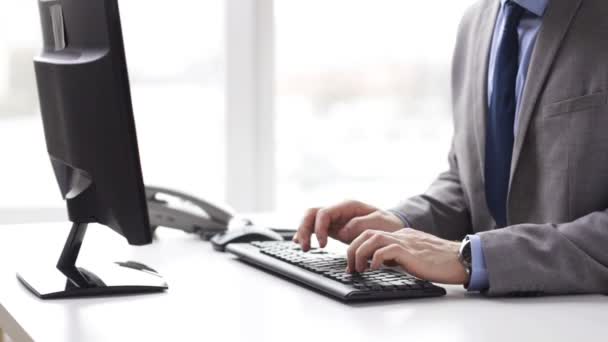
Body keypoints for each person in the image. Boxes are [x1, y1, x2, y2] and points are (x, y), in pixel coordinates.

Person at [293, 0, 608, 296]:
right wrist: (399, 222)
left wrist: (471, 257)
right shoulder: (476, 23)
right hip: (491, 319)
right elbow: (469, 183)